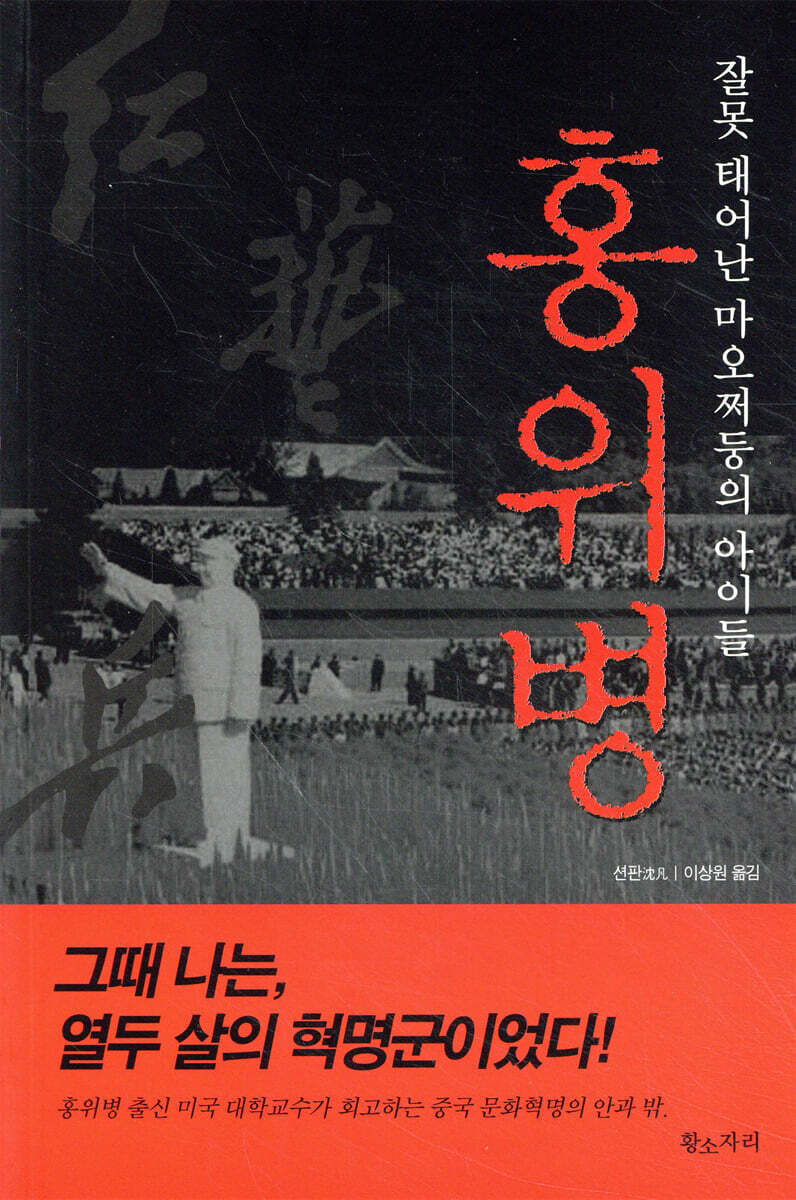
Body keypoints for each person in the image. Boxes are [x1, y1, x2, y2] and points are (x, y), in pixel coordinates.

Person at [80, 537, 267, 866]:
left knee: (224, 773)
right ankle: (197, 831)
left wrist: (242, 706)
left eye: (208, 561)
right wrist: (107, 569)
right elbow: (147, 592)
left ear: (229, 564)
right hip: (189, 700)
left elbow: (248, 660)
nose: (201, 568)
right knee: (193, 772)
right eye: (198, 561)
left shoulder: (241, 606)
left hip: (224, 707)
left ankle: (224, 835)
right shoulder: (187, 599)